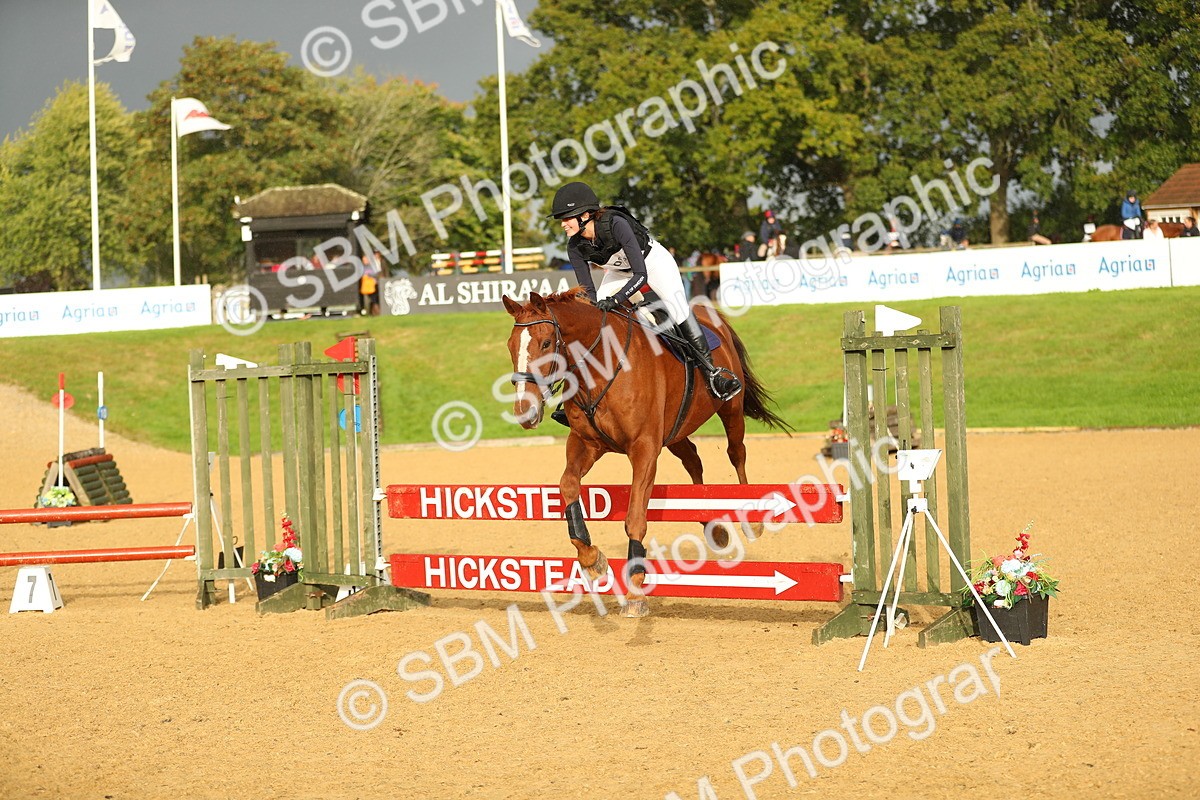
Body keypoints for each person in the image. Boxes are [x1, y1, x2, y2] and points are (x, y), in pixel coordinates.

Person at [549, 181, 742, 402]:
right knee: (596, 316)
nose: (563, 224)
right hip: (618, 272)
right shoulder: (574, 246)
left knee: (678, 310)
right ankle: (585, 390)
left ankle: (713, 373)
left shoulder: (616, 224)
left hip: (652, 264)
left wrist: (616, 299)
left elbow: (641, 275)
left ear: (585, 215)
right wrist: (596, 306)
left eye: (566, 218)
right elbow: (588, 290)